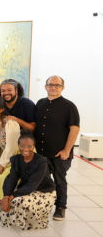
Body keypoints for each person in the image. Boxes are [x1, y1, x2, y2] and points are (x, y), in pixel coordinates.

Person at [35, 76, 80, 221]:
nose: (53, 87)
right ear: (46, 86)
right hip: (42, 152)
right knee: (44, 180)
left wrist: (67, 150)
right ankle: (44, 206)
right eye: (50, 84)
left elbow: (74, 129)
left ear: (62, 88)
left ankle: (61, 207)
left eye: (57, 85)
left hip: (60, 152)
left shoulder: (69, 106)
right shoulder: (40, 103)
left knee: (60, 180)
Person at [0, 130, 56, 230]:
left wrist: (11, 196)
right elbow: (11, 178)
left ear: (34, 146)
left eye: (29, 146)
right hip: (28, 188)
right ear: (18, 145)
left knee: (17, 200)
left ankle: (30, 223)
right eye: (22, 146)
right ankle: (15, 220)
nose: (25, 149)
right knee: (10, 199)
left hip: (44, 192)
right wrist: (6, 196)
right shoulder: (16, 159)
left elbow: (32, 185)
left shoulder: (42, 162)